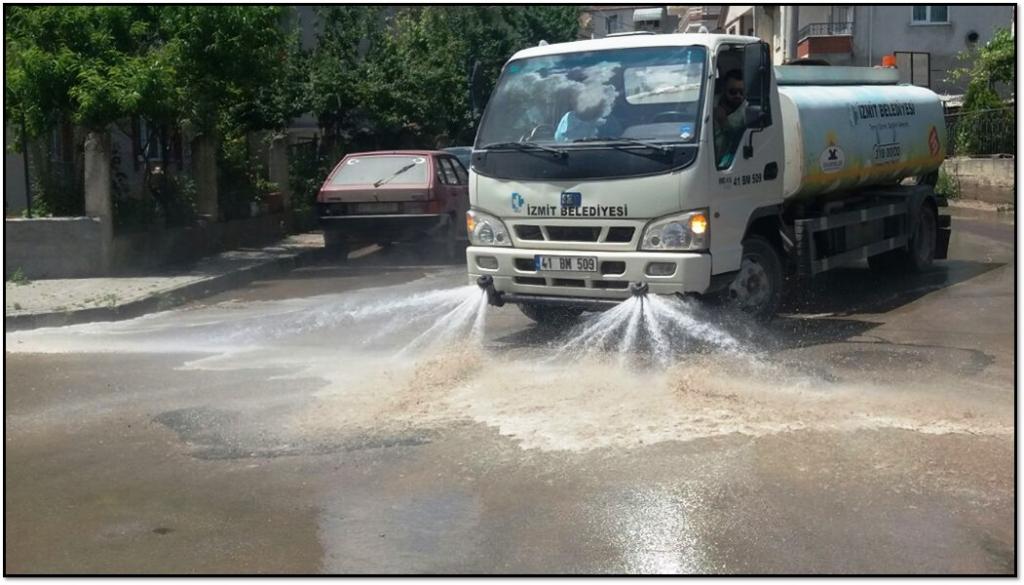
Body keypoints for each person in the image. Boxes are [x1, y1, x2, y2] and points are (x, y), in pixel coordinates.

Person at [713, 69, 748, 167]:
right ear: (724, 89)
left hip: (728, 165)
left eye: (741, 92)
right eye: (733, 92)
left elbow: (740, 142)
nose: (738, 95)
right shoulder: (710, 102)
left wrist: (724, 122)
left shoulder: (746, 111)